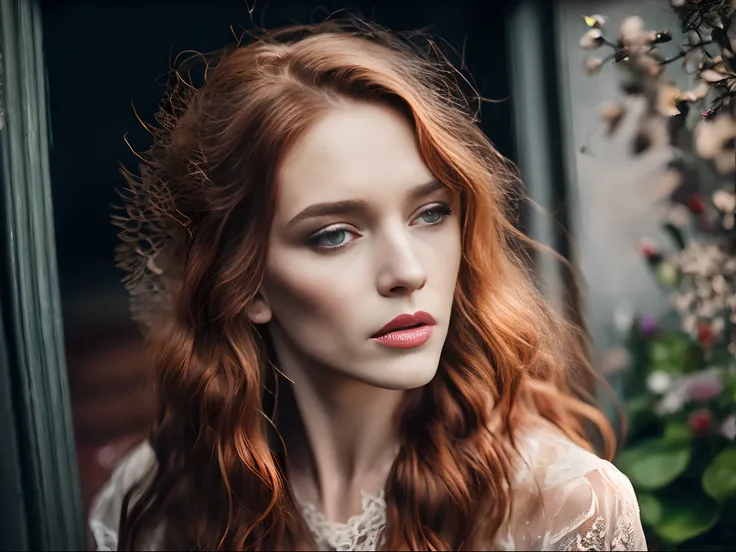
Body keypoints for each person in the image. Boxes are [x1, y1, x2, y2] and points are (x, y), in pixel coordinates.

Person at [89, 19, 647, 551]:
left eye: (429, 213)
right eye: (335, 235)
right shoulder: (158, 502)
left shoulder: (565, 507)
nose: (407, 271)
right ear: (248, 283)